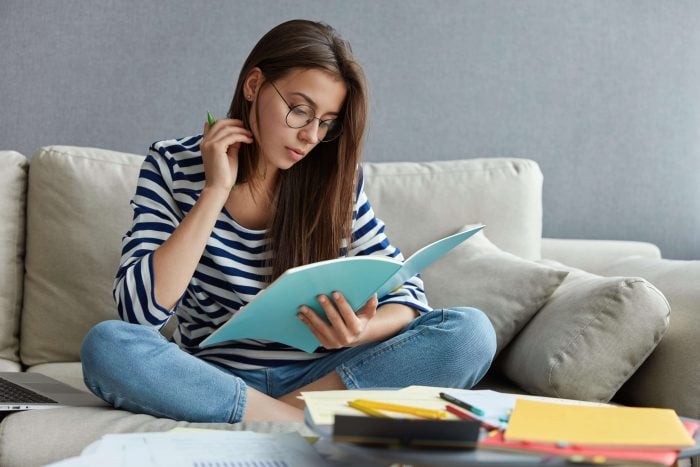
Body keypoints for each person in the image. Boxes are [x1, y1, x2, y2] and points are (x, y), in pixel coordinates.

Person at [80, 19, 496, 423]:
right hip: (218, 377)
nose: (310, 137)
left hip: (324, 376)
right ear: (254, 85)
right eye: (299, 110)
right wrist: (214, 192)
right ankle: (294, 420)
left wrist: (358, 332)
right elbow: (138, 315)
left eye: (326, 123)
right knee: (107, 345)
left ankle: (275, 413)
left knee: (471, 333)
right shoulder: (171, 164)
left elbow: (408, 297)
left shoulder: (335, 178)